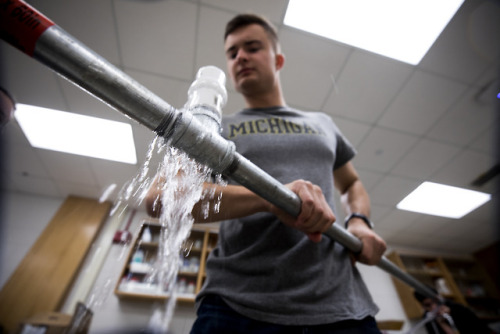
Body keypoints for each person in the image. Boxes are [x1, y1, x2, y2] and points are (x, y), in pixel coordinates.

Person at [147, 13, 387, 333]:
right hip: (237, 307)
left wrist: (360, 222)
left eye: (252, 47)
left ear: (278, 59)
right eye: (232, 53)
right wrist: (270, 199)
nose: (240, 57)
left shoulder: (322, 124)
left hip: (341, 308)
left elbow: (352, 183)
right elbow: (161, 198)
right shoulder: (215, 128)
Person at [413, 290, 492, 334]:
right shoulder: (429, 320)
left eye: (435, 301)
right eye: (428, 305)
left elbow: (479, 327)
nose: (434, 307)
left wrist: (452, 313)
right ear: (423, 307)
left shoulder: (457, 308)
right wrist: (441, 323)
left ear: (440, 299)